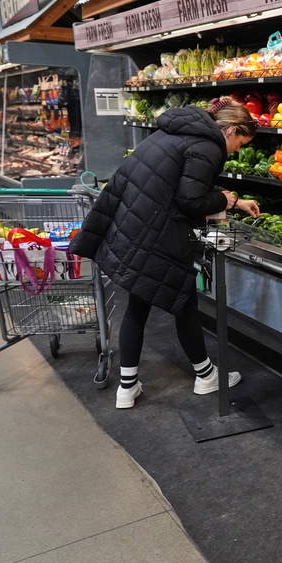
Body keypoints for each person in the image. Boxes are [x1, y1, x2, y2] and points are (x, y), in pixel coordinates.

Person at [70, 97, 260, 408]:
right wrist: (222, 202)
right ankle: (205, 376)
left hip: (133, 226)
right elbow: (191, 200)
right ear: (231, 130)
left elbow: (174, 183)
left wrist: (233, 202)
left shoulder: (171, 132)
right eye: (241, 142)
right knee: (182, 298)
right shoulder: (209, 146)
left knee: (143, 301)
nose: (238, 150)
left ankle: (128, 388)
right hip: (159, 233)